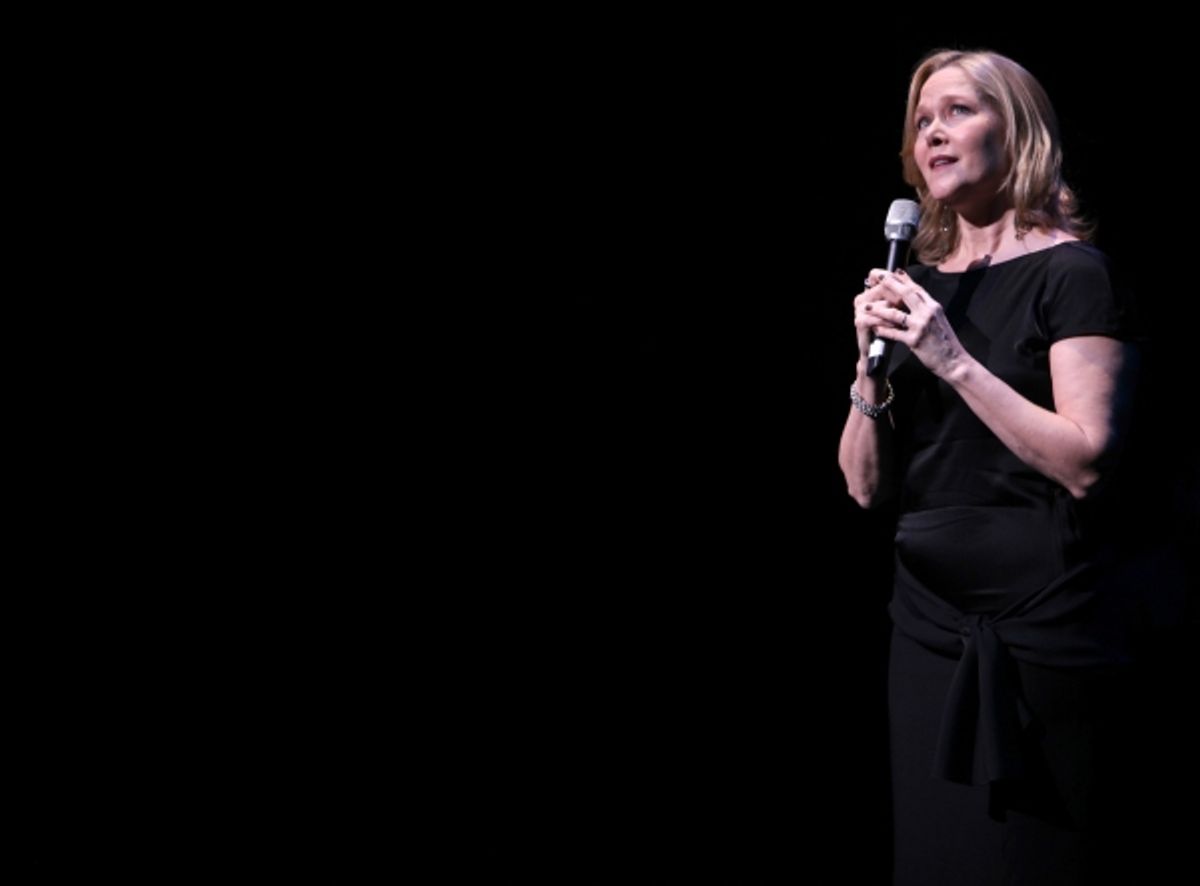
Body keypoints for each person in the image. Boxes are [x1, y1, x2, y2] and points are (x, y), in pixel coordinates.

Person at [838, 49, 1156, 885]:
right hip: (928, 629)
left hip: (1043, 632)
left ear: (1014, 130)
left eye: (957, 112)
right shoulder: (919, 287)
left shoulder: (1072, 274)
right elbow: (864, 485)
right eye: (921, 120)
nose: (933, 134)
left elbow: (1085, 462)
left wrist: (951, 359)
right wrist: (868, 371)